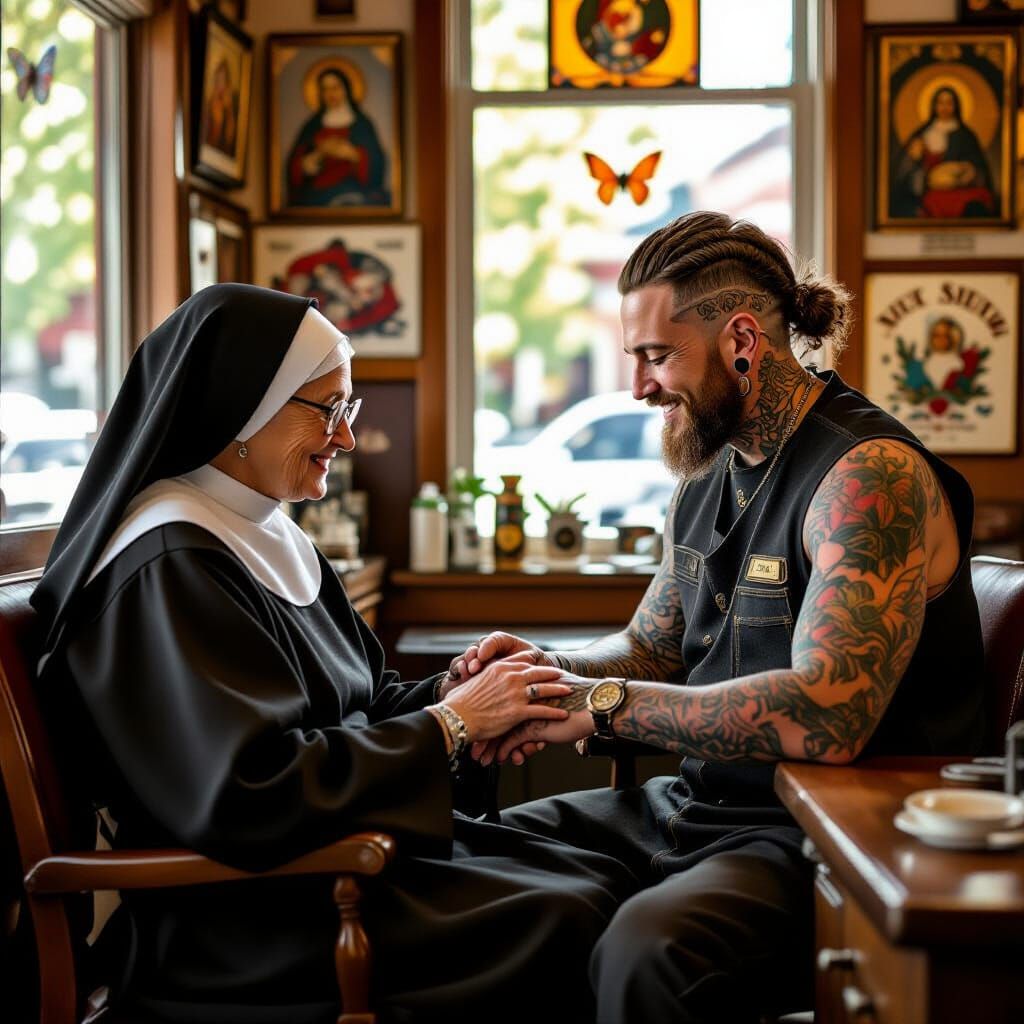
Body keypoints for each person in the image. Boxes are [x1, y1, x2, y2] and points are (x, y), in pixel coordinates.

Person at [31, 284, 635, 1023]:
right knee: (580, 915)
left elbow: (360, 703)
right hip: (246, 916)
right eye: (329, 409)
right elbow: (244, 791)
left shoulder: (264, 529)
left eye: (348, 410)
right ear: (244, 407)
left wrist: (455, 691)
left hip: (327, 868)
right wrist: (450, 725)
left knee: (606, 879)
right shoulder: (169, 560)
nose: (347, 437)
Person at [449, 211, 985, 1023]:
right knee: (462, 858)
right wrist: (545, 676)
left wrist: (603, 706)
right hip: (693, 808)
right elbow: (651, 647)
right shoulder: (708, 467)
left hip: (820, 835)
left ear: (742, 340)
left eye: (656, 357)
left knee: (647, 949)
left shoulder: (868, 476)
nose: (638, 387)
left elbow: (826, 715)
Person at [286, 68, 387, 209]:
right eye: (325, 89)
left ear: (346, 89)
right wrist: (316, 156)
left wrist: (352, 154)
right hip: (315, 193)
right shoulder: (312, 125)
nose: (331, 94)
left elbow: (377, 164)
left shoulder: (362, 123)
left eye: (335, 87)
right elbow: (294, 167)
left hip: (351, 189)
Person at [891, 85, 996, 219]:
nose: (944, 107)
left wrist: (968, 172)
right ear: (934, 105)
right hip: (928, 189)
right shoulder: (922, 133)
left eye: (949, 103)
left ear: (956, 106)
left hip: (960, 189)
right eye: (940, 102)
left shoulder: (966, 135)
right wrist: (915, 159)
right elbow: (904, 171)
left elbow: (980, 168)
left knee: (976, 206)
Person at [203, 57, 238, 155]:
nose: (219, 84)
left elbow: (230, 138)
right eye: (217, 79)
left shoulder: (229, 108)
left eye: (222, 79)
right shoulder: (209, 104)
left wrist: (228, 111)